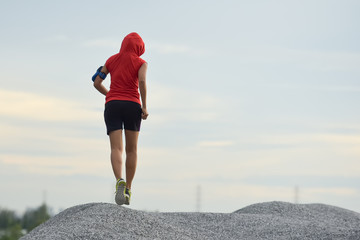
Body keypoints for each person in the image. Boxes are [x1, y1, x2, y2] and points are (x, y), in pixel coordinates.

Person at [92, 32, 148, 205]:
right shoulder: (141, 63)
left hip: (113, 105)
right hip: (132, 105)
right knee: (132, 150)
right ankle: (128, 189)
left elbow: (96, 83)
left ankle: (119, 181)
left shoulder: (111, 60)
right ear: (139, 48)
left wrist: (112, 95)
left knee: (116, 148)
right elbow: (142, 82)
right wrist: (144, 106)